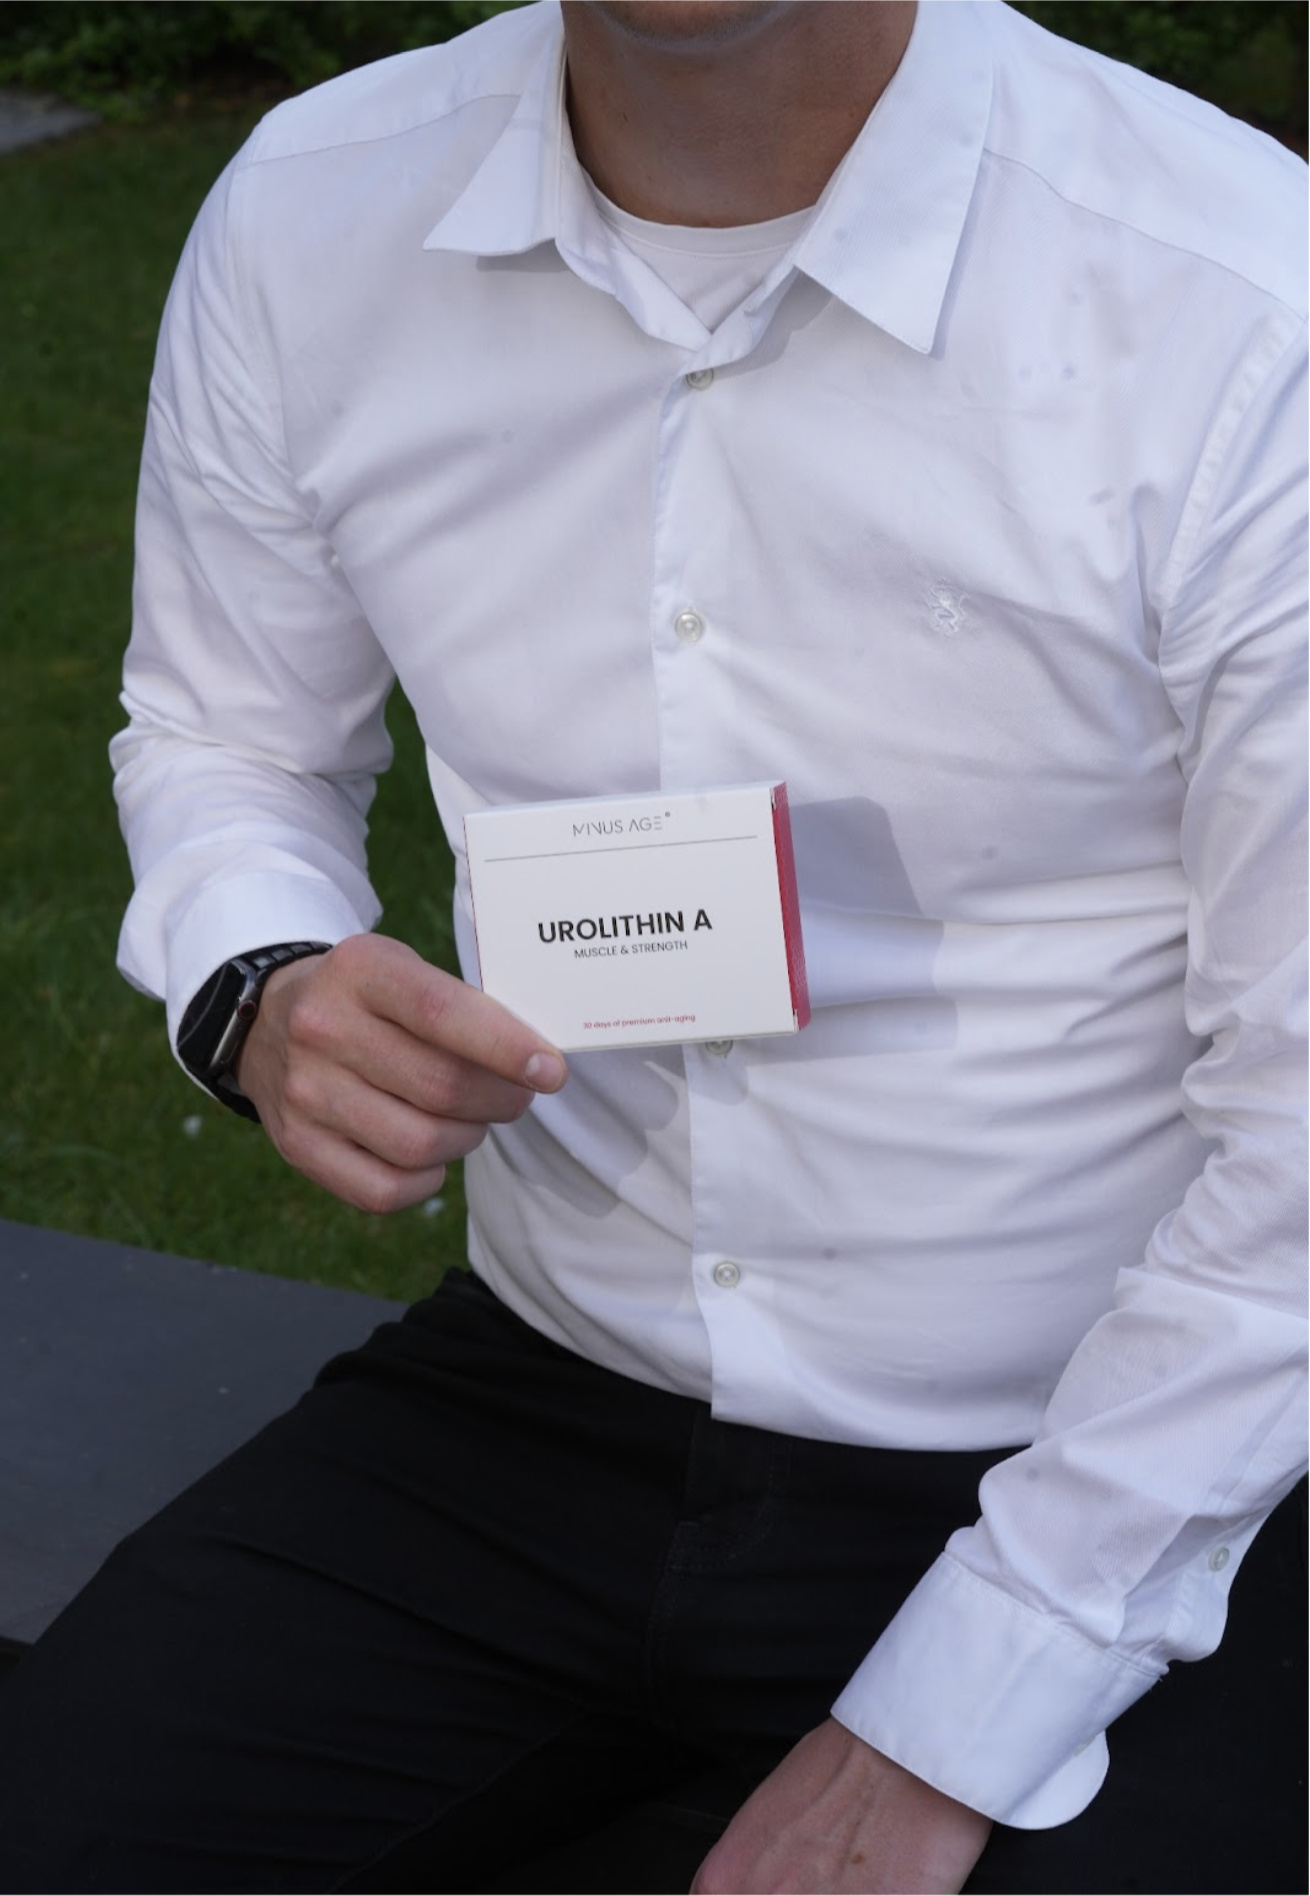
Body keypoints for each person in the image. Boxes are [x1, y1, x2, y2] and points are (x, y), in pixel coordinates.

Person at [0, 1, 1304, 1890]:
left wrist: (966, 1704)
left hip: (1133, 1459)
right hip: (541, 1399)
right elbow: (224, 732)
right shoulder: (314, 209)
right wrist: (257, 975)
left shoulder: (1233, 298)